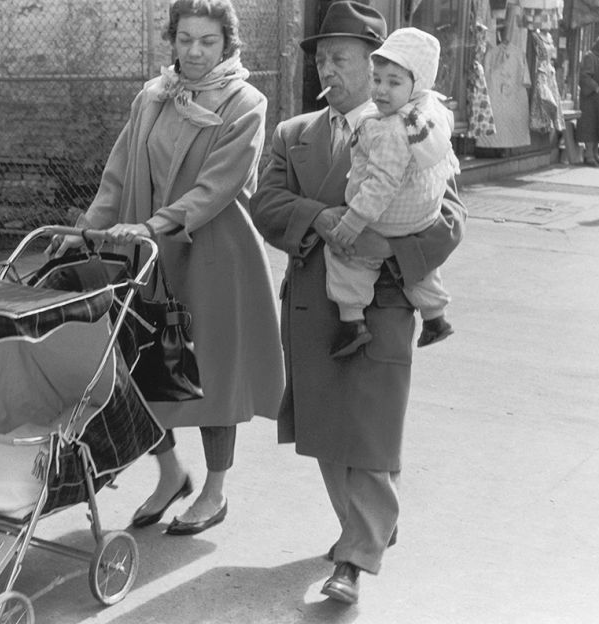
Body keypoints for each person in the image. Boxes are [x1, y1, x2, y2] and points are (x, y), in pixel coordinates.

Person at [249, 1, 466, 605]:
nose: (328, 69)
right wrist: (321, 216)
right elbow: (265, 204)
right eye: (321, 57)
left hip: (387, 301)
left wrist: (387, 247)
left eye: (341, 57)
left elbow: (450, 218)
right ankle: (365, 526)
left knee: (369, 433)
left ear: (379, 66)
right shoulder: (295, 135)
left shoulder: (419, 132)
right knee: (325, 432)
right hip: (313, 304)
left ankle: (354, 556)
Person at [52, 0, 284, 536]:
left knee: (212, 376)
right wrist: (89, 231)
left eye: (207, 40)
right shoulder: (153, 96)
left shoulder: (245, 102)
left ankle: (214, 492)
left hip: (216, 258)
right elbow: (117, 175)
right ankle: (170, 474)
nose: (195, 51)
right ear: (171, 41)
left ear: (228, 43)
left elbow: (218, 187)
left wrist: (155, 225)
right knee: (142, 367)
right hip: (148, 255)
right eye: (185, 39)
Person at [326, 27, 459, 358]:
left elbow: (380, 184)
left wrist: (353, 222)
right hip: (421, 217)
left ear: (417, 83)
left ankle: (351, 323)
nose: (381, 90)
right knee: (420, 269)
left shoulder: (389, 130)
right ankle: (435, 317)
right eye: (378, 80)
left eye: (394, 82)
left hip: (385, 219)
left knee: (349, 258)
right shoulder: (431, 113)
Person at [576, 33, 599, 167]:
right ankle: (589, 155)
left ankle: (596, 154)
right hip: (591, 101)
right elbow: (584, 76)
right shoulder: (590, 57)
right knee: (591, 127)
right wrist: (596, 88)